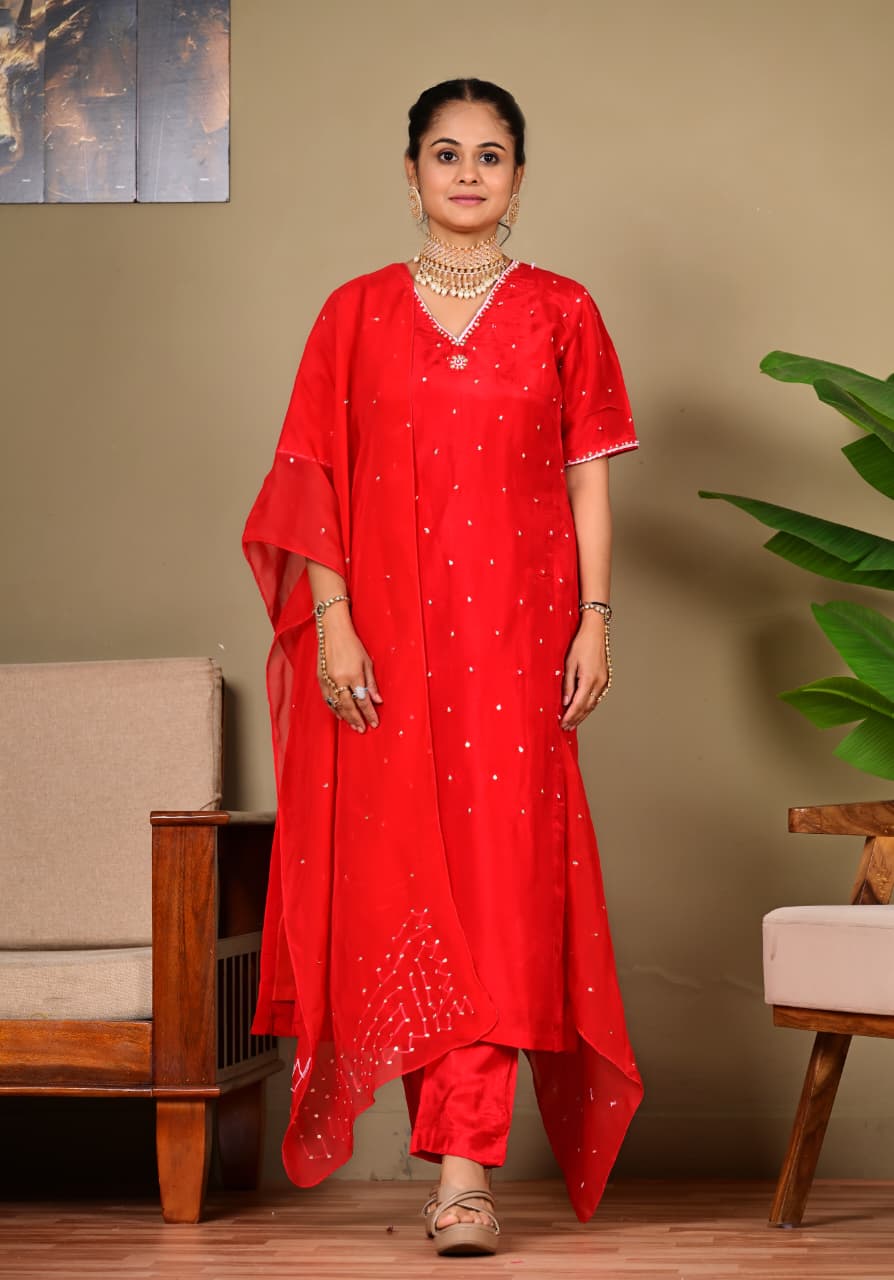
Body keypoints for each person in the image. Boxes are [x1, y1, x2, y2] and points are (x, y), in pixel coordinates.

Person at [243, 77, 642, 1258]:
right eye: (447, 152)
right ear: (411, 171)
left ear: (520, 176)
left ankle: (465, 1170)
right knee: (407, 885)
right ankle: (457, 1167)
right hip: (389, 644)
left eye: (492, 154)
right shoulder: (354, 313)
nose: (469, 173)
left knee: (501, 892)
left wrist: (596, 619)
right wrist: (333, 621)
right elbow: (313, 477)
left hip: (517, 642)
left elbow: (587, 483)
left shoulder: (564, 310)